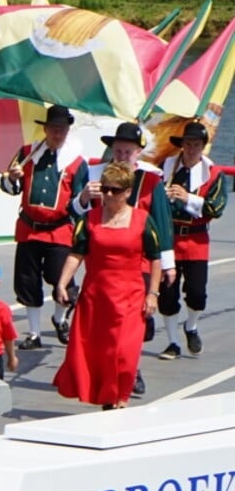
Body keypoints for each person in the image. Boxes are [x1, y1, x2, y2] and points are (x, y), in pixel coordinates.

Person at [75, 121, 177, 396]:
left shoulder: (151, 179)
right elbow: (75, 213)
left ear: (138, 153)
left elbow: (161, 222)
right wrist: (84, 197)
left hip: (139, 259)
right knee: (107, 322)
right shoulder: (95, 174)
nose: (122, 156)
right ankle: (106, 369)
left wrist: (168, 263)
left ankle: (132, 370)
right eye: (118, 151)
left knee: (131, 324)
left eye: (128, 152)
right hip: (103, 261)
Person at [54, 162, 163, 410]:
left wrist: (153, 294)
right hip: (96, 296)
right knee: (100, 353)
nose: (109, 195)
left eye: (115, 190)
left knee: (124, 352)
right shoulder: (89, 219)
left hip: (130, 295)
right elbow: (76, 254)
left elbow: (155, 258)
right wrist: (62, 283)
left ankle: (121, 396)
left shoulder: (143, 220)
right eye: (105, 189)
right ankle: (109, 399)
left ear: (127, 191)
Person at [0, 104, 89, 350]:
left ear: (67, 131)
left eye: (62, 130)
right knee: (27, 282)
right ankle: (35, 333)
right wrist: (12, 179)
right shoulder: (28, 153)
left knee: (60, 278)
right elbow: (9, 186)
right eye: (53, 129)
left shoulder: (76, 163)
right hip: (29, 229)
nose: (57, 134)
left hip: (59, 230)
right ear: (46, 129)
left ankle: (59, 319)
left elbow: (81, 200)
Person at [156, 120, 228, 358]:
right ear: (182, 145)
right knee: (167, 292)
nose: (192, 148)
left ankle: (191, 325)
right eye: (188, 144)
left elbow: (216, 208)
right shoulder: (165, 167)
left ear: (203, 146)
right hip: (169, 239)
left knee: (197, 293)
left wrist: (187, 198)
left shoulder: (213, 174)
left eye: (196, 144)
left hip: (196, 241)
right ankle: (173, 342)